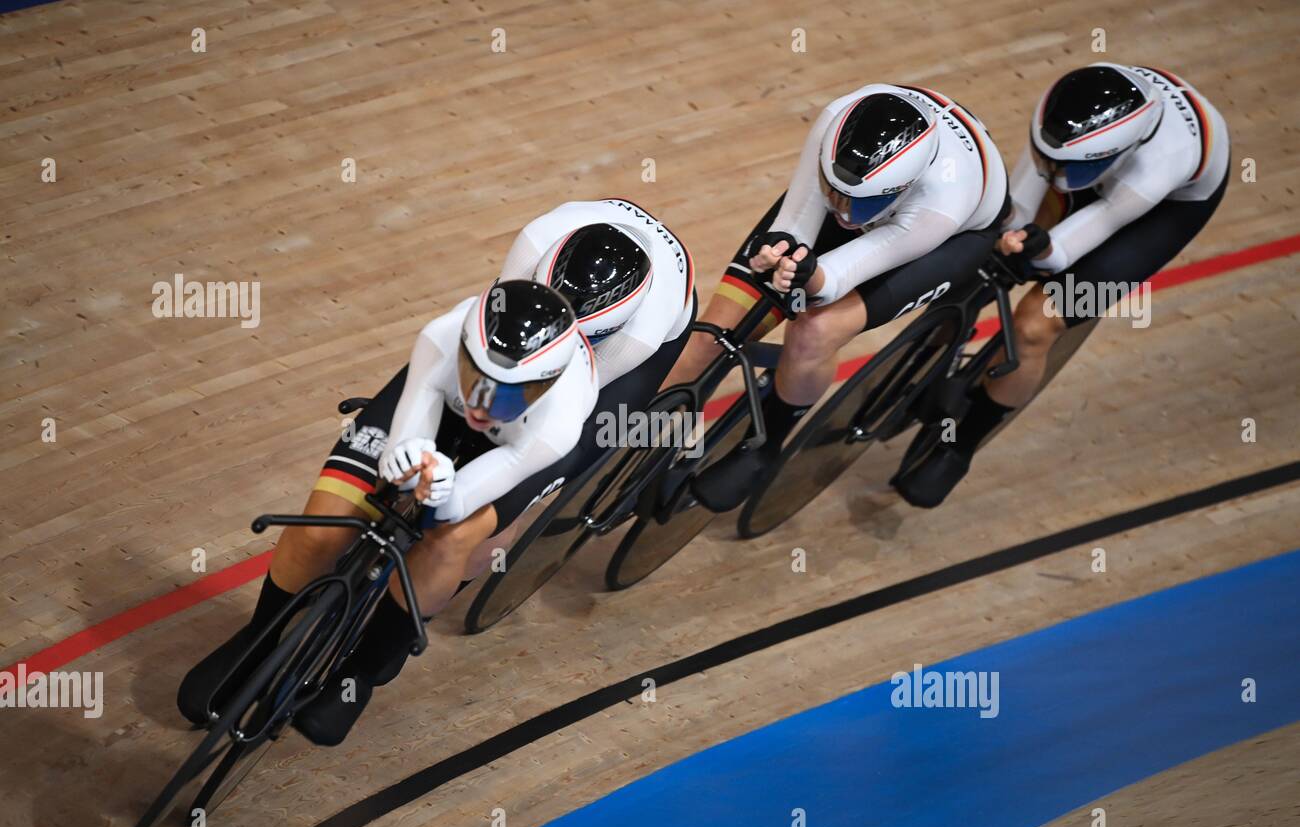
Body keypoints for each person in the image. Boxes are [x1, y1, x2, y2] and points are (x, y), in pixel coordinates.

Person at [177, 200, 694, 743]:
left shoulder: (602, 368)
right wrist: (406, 451)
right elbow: (446, 381)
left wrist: (449, 492)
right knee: (331, 510)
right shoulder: (523, 258)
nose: (480, 409)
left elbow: (515, 442)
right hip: (517, 337)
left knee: (457, 535)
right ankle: (261, 636)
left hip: (609, 370)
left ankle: (363, 671)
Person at [895, 63, 1231, 507]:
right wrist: (1010, 234)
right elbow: (1022, 198)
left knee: (1036, 326)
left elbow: (1069, 246)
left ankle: (960, 447)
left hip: (1159, 210)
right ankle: (938, 350)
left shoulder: (1157, 167)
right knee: (987, 247)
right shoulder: (1061, 119)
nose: (1050, 167)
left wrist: (1039, 248)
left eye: (1061, 164)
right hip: (1086, 157)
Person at [673, 84, 1009, 512]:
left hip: (954, 237)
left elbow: (834, 279)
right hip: (871, 189)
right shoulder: (835, 122)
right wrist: (778, 249)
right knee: (709, 338)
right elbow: (796, 221)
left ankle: (766, 444)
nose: (843, 209)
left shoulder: (941, 202)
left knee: (815, 329)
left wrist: (807, 274)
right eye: (835, 191)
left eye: (854, 200)